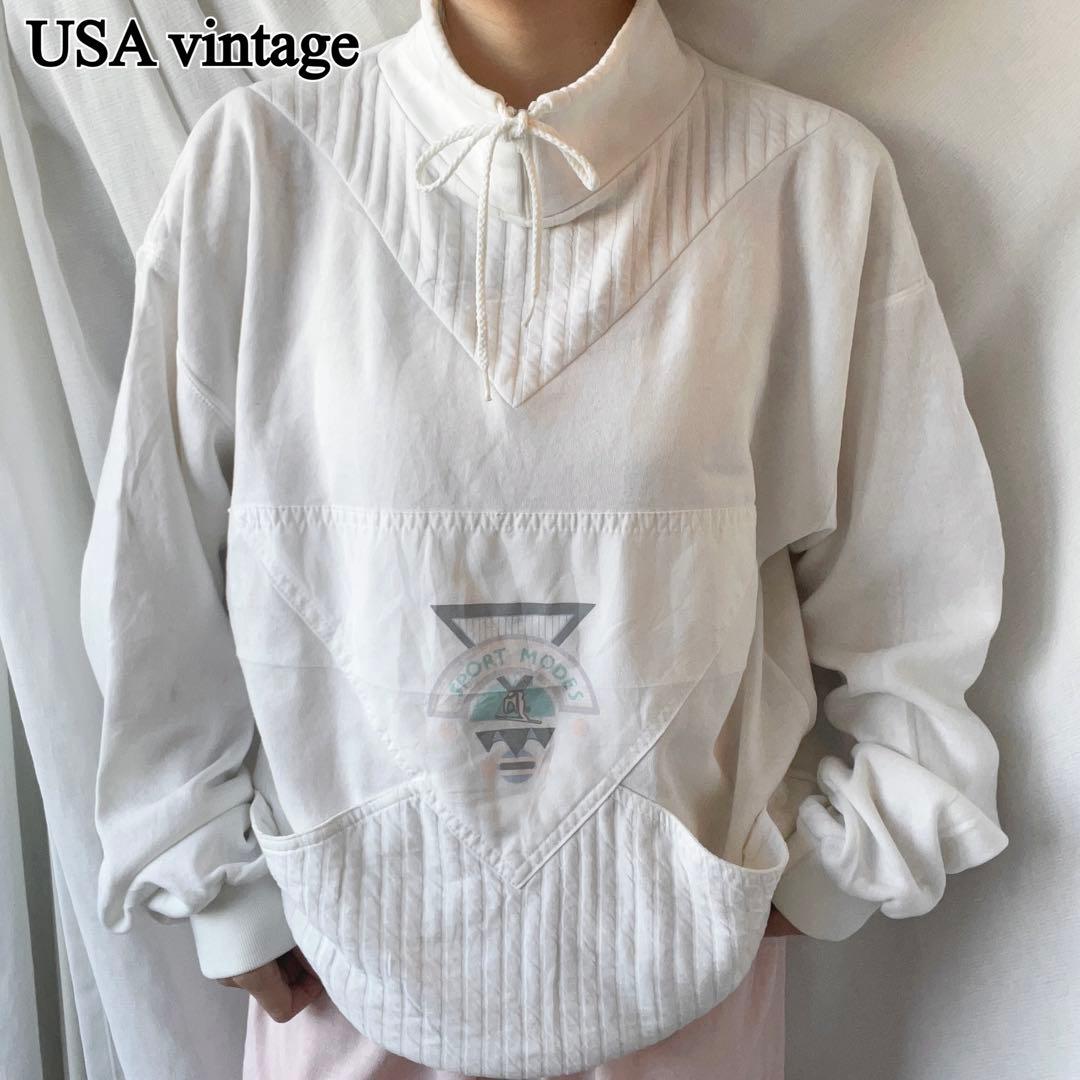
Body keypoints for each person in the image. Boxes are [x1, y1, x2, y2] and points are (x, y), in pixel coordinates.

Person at [80, 0, 1010, 1076]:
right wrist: (216, 889)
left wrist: (841, 870)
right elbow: (157, 565)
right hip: (339, 989)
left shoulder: (808, 184)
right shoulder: (260, 168)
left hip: (687, 992)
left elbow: (913, 586)